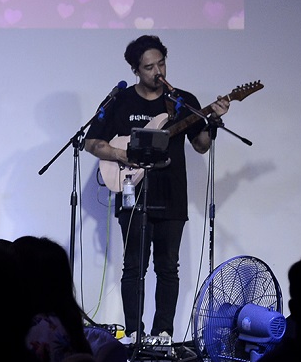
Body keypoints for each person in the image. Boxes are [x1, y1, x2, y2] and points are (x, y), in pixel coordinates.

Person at [84, 34, 230, 341]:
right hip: (131, 192)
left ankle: (163, 334)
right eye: (149, 67)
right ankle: (134, 334)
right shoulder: (121, 101)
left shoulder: (181, 101)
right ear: (135, 70)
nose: (158, 72)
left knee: (168, 267)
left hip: (172, 193)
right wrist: (122, 154)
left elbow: (201, 145)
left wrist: (212, 121)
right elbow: (92, 142)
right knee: (133, 267)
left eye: (161, 64)